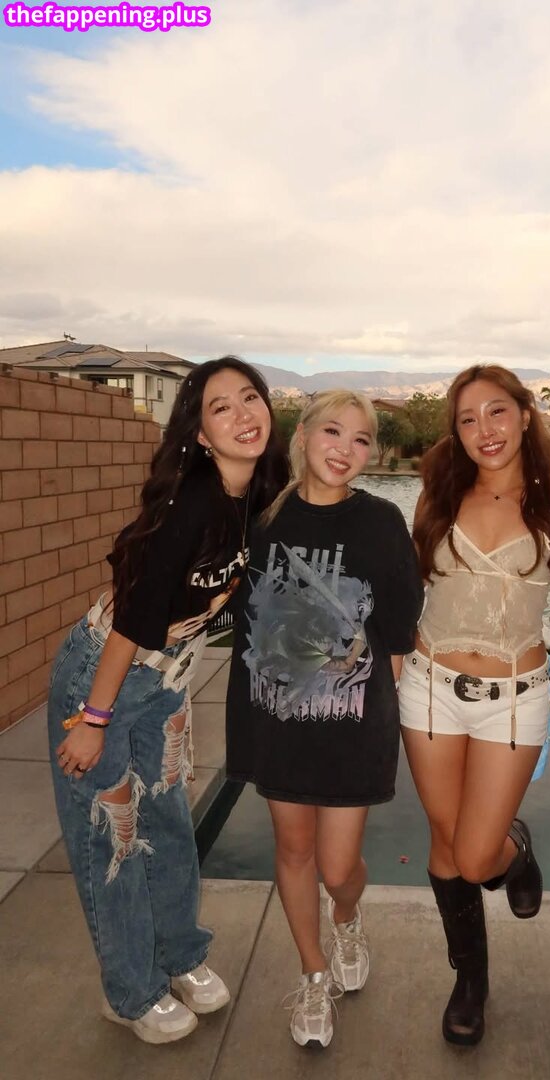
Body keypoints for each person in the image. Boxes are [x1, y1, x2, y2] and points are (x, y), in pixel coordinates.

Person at [49, 357, 288, 1044]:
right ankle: (129, 993)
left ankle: (179, 955)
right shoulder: (194, 502)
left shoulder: (256, 496)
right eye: (221, 407)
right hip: (105, 676)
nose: (243, 414)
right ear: (201, 435)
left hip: (165, 680)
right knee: (113, 840)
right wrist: (93, 721)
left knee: (171, 825)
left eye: (250, 397)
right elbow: (134, 616)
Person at [226, 390, 423, 1050]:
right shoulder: (262, 519)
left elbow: (399, 627)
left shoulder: (381, 522)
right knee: (293, 850)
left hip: (351, 723)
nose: (345, 449)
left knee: (338, 869)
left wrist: (376, 706)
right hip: (277, 721)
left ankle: (346, 917)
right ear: (304, 435)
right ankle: (313, 975)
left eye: (361, 439)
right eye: (333, 431)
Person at [398, 364, 550, 1045]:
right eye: (468, 419)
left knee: (476, 858)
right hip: (429, 689)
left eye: (497, 411)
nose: (485, 430)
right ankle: (470, 979)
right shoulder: (438, 498)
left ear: (525, 416)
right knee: (445, 842)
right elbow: (406, 585)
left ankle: (513, 851)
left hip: (515, 698)